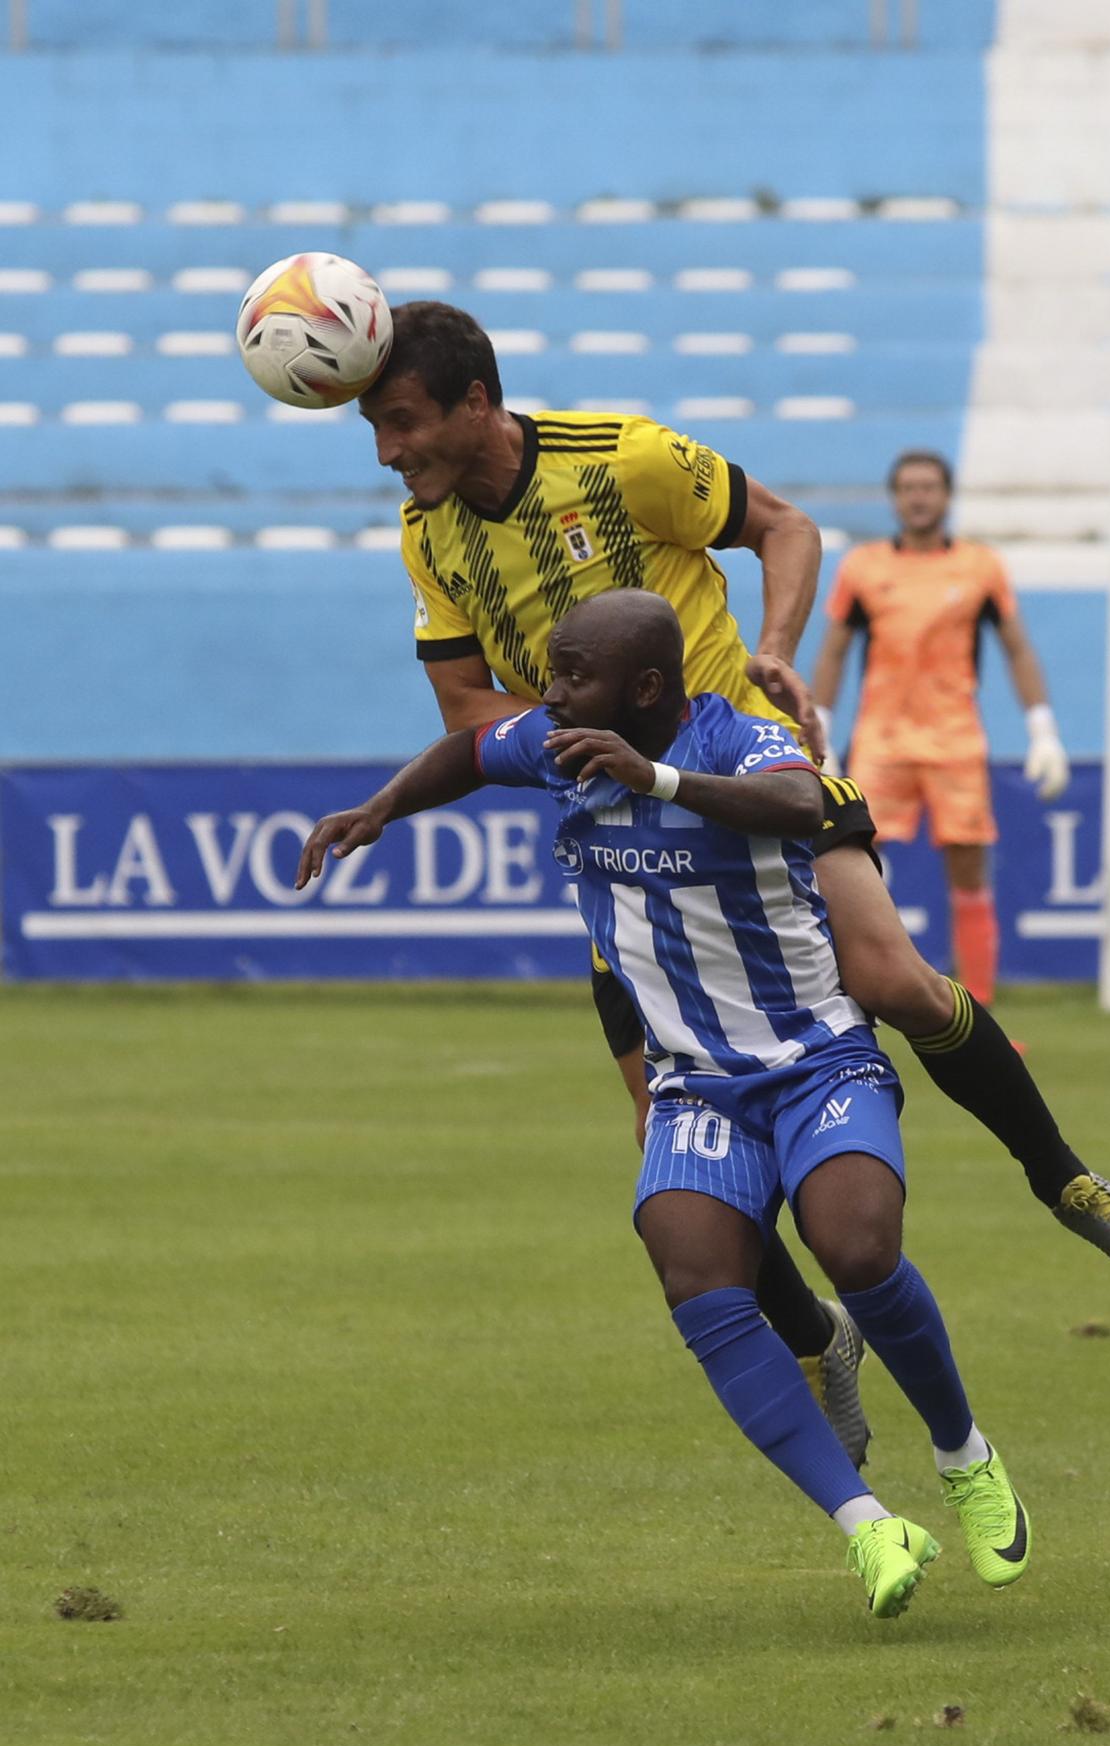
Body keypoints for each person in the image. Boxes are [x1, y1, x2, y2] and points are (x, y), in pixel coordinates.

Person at [354, 304, 1110, 1462]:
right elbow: (465, 712)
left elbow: (785, 526)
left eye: (402, 424)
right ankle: (812, 1335)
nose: (390, 453)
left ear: (476, 402)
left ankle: (1067, 1178)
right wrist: (578, 745)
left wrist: (775, 645)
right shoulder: (429, 539)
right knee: (666, 1128)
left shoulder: (622, 457)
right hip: (632, 848)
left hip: (751, 776)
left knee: (888, 972)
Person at [296, 591, 1032, 1620]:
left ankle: (964, 1453)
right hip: (697, 1080)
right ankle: (868, 1524)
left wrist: (663, 779)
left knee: (857, 1247)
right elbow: (467, 751)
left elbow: (803, 806)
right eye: (552, 675)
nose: (551, 695)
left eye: (573, 675)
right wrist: (381, 806)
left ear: (647, 688)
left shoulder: (743, 735)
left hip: (815, 1056)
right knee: (692, 1266)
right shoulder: (561, 741)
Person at [810, 448, 1070, 1011]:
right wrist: (821, 731)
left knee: (970, 867)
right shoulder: (864, 567)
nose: (919, 496)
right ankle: (842, 1006)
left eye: (929, 487)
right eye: (909, 487)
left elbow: (1016, 646)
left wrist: (1042, 728)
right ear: (895, 497)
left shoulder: (980, 566)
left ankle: (978, 1012)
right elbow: (833, 651)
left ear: (946, 496)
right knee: (849, 864)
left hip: (955, 739)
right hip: (882, 738)